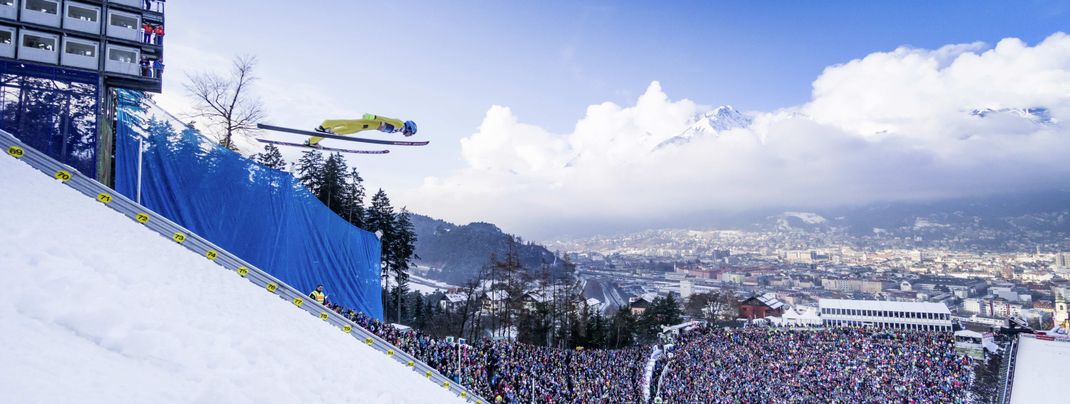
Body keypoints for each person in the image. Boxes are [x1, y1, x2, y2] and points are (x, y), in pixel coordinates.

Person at [309, 113, 417, 146]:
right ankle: (326, 124)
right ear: (409, 128)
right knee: (348, 125)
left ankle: (312, 141)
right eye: (410, 133)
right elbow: (385, 119)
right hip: (369, 123)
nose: (408, 135)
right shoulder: (399, 124)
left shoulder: (398, 129)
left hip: (368, 127)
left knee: (345, 130)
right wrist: (373, 117)